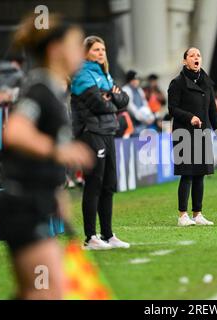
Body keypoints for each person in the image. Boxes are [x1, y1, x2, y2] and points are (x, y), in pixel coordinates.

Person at [0, 14, 94, 300]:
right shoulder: (38, 88)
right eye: (76, 44)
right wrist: (58, 149)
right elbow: (14, 132)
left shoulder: (53, 89)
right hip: (22, 205)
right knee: (45, 293)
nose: (82, 52)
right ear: (55, 50)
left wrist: (57, 196)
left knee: (36, 292)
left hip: (34, 203)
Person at [71, 35, 130, 250]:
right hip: (90, 132)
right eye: (96, 49)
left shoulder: (104, 74)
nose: (101, 53)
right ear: (85, 52)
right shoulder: (81, 74)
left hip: (107, 130)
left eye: (103, 49)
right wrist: (111, 98)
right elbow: (97, 104)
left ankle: (107, 234)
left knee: (108, 184)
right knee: (94, 183)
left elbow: (124, 100)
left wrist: (111, 98)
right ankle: (90, 237)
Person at [168, 47, 217, 227]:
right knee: (187, 174)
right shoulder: (177, 83)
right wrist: (190, 117)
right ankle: (182, 215)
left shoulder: (206, 82)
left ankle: (198, 214)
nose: (196, 58)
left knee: (200, 175)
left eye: (199, 55)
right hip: (183, 133)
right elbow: (172, 109)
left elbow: (212, 111)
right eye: (192, 55)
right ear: (185, 61)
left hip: (202, 134)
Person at [122, 70, 155, 135]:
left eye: (137, 80)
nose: (136, 81)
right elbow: (130, 107)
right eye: (134, 80)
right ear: (129, 80)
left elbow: (144, 103)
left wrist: (150, 116)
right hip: (131, 122)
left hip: (141, 122)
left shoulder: (139, 90)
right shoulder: (126, 89)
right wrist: (143, 118)